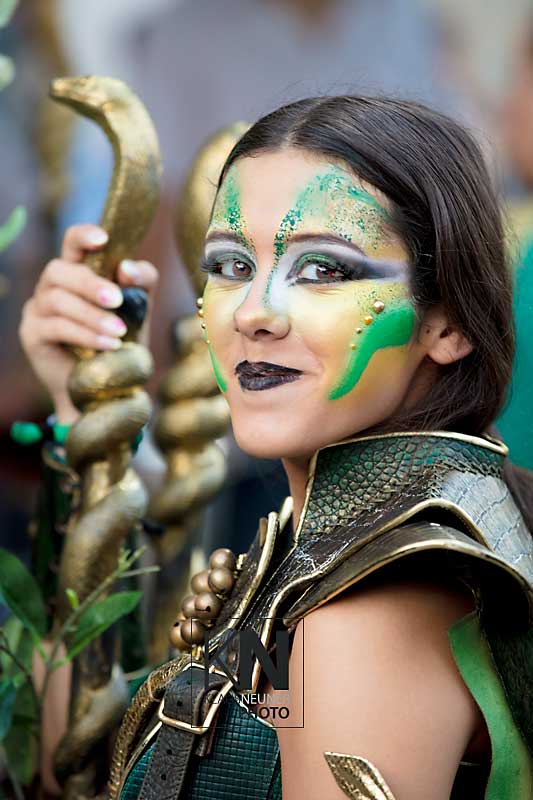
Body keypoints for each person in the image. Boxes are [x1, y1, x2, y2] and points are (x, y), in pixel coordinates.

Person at [20, 97, 533, 799]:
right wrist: (81, 415)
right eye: (230, 264)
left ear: (447, 323)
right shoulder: (335, 548)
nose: (254, 312)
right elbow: (86, 764)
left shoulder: (373, 600)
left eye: (323, 270)